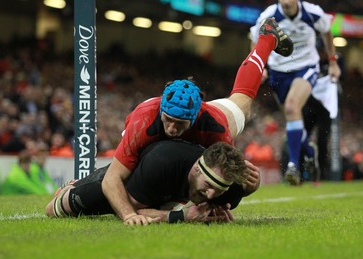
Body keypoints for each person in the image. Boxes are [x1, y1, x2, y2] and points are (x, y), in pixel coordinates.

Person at [93, 17, 293, 225]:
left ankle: (267, 39)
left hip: (213, 117)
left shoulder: (214, 127)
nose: (172, 128)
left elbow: (222, 180)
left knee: (243, 102)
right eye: (168, 120)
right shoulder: (142, 122)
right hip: (150, 126)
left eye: (180, 123)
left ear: (195, 117)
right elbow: (112, 178)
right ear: (162, 111)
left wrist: (244, 190)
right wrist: (129, 215)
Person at [46, 140, 260, 224]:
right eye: (209, 186)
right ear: (196, 169)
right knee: (57, 208)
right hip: (136, 179)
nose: (212, 195)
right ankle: (72, 187)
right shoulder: (163, 163)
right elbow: (131, 210)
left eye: (219, 190)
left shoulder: (229, 188)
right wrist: (179, 216)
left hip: (162, 186)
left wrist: (251, 188)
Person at [250, 0, 341, 185]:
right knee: (292, 119)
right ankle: (309, 151)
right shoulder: (269, 14)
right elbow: (254, 38)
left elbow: (327, 32)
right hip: (278, 72)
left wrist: (332, 62)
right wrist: (259, 65)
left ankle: (293, 166)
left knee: (292, 107)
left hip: (305, 67)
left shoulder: (313, 12)